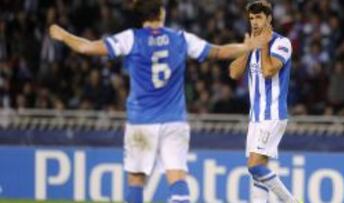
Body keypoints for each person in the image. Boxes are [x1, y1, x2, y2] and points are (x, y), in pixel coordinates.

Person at [49, 0, 262, 202]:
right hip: (174, 121)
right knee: (177, 177)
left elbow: (86, 48)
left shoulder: (131, 38)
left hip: (141, 123)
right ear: (161, 13)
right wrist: (245, 47)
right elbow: (218, 52)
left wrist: (63, 35)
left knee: (136, 181)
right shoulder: (180, 38)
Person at [229, 0, 299, 202]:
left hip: (273, 114)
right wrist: (248, 48)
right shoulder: (252, 45)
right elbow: (234, 73)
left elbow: (268, 71)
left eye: (259, 17)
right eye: (251, 18)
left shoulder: (282, 43)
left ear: (269, 18)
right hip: (256, 117)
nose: (254, 22)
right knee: (257, 173)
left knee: (254, 165)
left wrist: (264, 46)